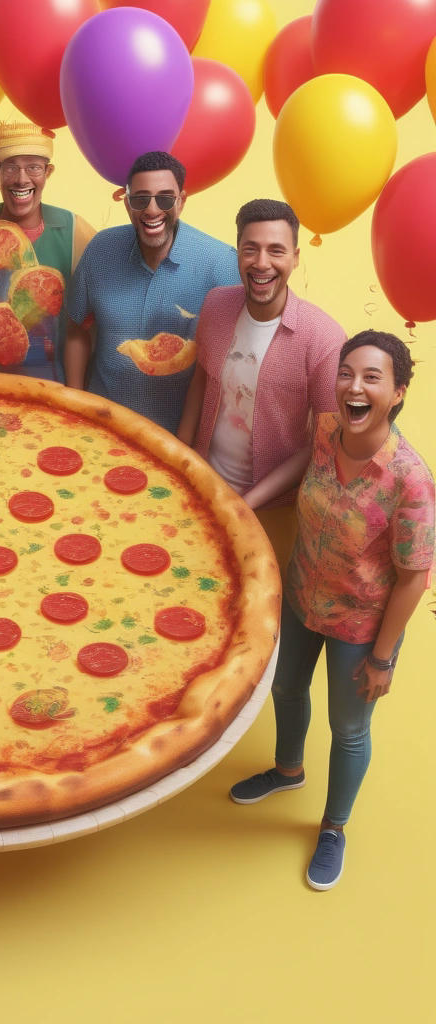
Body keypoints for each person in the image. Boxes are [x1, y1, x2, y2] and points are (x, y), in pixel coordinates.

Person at [229, 330, 434, 891]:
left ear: (398, 393)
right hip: (300, 597)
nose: (354, 386)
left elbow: (415, 577)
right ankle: (288, 770)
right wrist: (246, 502)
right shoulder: (326, 429)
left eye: (372, 377)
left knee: (348, 730)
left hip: (360, 627)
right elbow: (301, 460)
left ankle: (333, 828)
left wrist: (383, 659)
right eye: (347, 373)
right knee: (285, 689)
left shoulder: (410, 479)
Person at [177, 199, 345, 572]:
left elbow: (325, 440)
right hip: (204, 490)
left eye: (276, 251)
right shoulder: (216, 304)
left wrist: (248, 503)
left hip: (273, 511)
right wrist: (181, 459)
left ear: (296, 257)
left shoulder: (324, 338)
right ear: (238, 252)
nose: (262, 262)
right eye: (250, 249)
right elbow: (201, 380)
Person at [66, 151, 239, 432]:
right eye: (141, 198)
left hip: (174, 437)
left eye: (165, 198)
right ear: (127, 203)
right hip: (99, 425)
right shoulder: (100, 249)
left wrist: (190, 443)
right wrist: (74, 403)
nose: (152, 209)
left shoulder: (221, 265)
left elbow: (227, 369)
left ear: (181, 201)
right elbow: (76, 329)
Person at [0, 122, 95, 381]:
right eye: (11, 167)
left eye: (34, 167)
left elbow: (90, 321)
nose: (22, 178)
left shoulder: (75, 231)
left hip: (51, 390)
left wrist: (75, 394)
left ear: (48, 173)